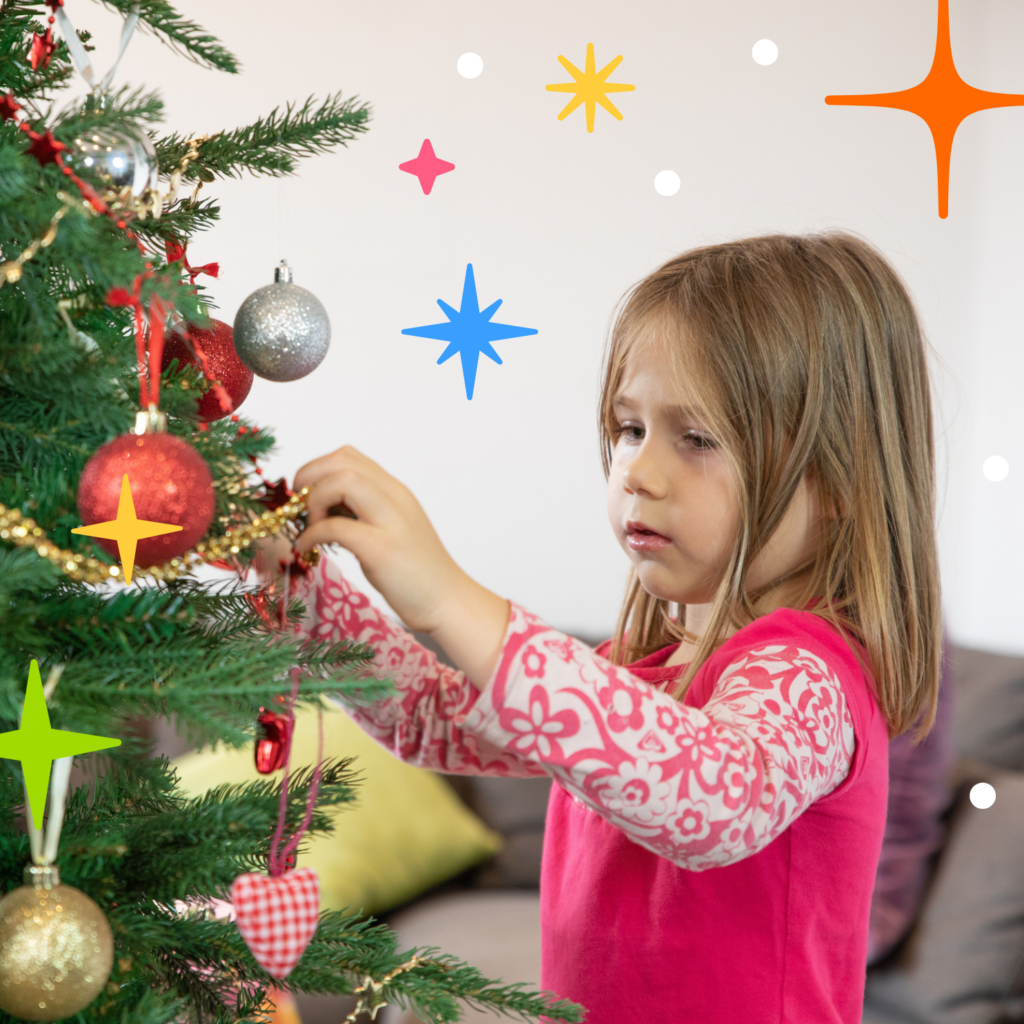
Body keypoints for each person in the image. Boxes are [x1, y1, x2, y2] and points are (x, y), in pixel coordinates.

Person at [272, 232, 944, 1024]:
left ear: (837, 481)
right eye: (629, 429)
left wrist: (449, 596)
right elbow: (427, 720)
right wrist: (305, 587)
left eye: (696, 439)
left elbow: (708, 798)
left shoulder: (811, 673)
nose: (639, 473)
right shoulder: (633, 667)